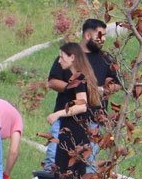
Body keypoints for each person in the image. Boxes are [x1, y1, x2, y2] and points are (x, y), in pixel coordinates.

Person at [44, 18, 116, 170]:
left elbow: (117, 84)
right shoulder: (68, 55)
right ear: (88, 36)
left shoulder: (106, 58)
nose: (103, 39)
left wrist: (101, 90)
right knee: (54, 158)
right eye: (100, 35)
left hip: (93, 120)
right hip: (65, 117)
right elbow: (52, 81)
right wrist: (75, 88)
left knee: (86, 164)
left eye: (104, 36)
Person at [47, 43, 101, 179]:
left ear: (72, 58)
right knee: (70, 169)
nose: (59, 60)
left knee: (72, 169)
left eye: (62, 56)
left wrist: (58, 114)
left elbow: (82, 105)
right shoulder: (76, 78)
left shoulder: (79, 78)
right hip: (70, 128)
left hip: (75, 129)